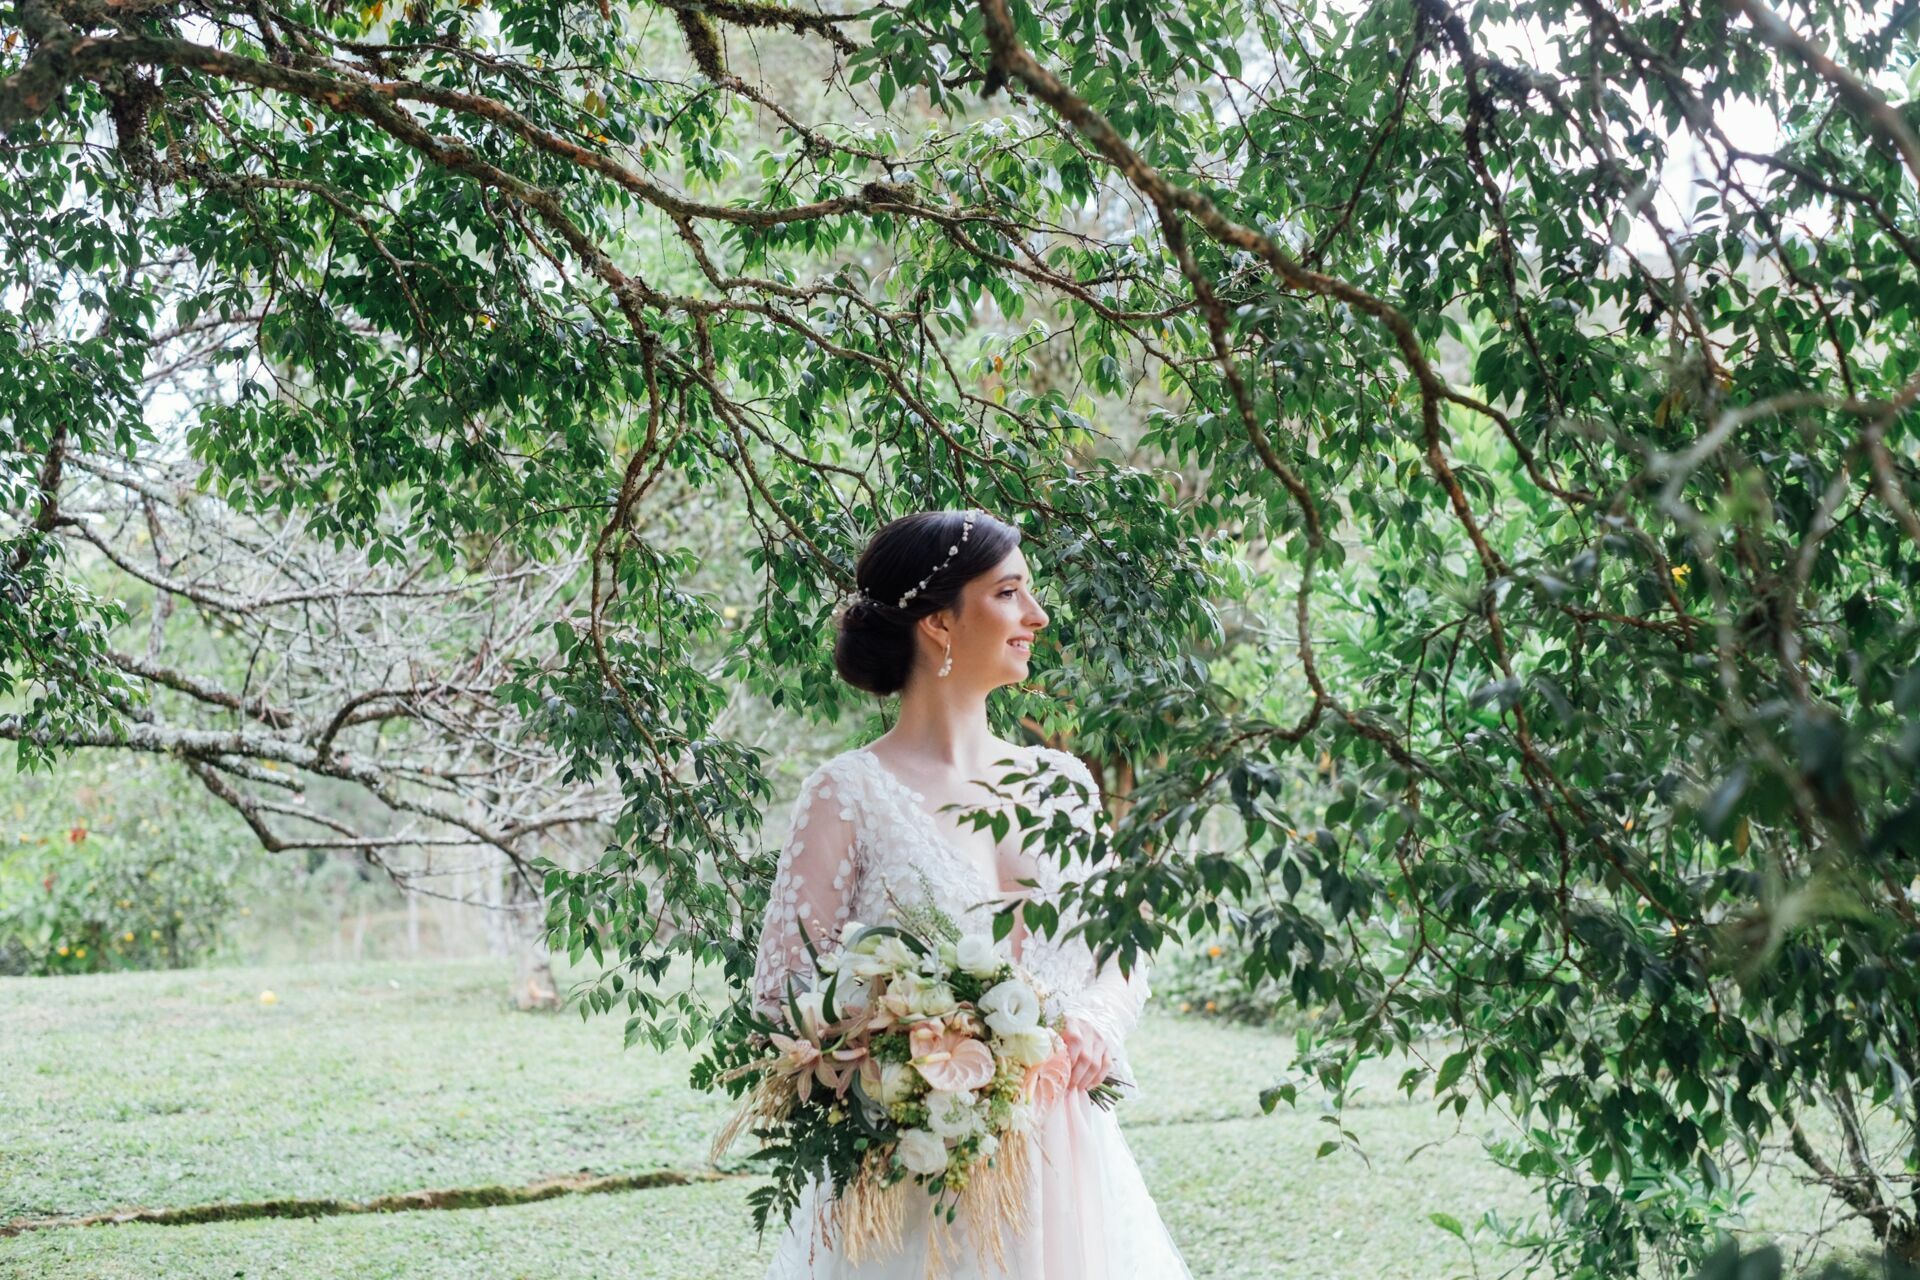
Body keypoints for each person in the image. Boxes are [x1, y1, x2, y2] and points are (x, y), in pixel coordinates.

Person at [751, 509, 1193, 1279]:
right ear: (938, 623)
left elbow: (1118, 953)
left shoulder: (1061, 785)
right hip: (921, 1173)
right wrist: (904, 1055)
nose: (1037, 616)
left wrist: (1092, 1024)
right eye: (1010, 593)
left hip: (1068, 1158)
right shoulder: (847, 793)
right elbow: (782, 997)